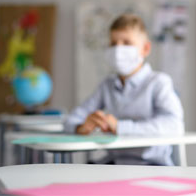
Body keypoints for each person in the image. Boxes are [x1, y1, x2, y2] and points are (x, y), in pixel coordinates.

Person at [64, 13, 184, 165]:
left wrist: (120, 127)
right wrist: (81, 127)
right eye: (113, 44)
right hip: (115, 164)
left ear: (145, 48)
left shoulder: (159, 82)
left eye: (127, 43)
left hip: (152, 166)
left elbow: (174, 125)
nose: (118, 50)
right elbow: (70, 120)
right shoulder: (107, 85)